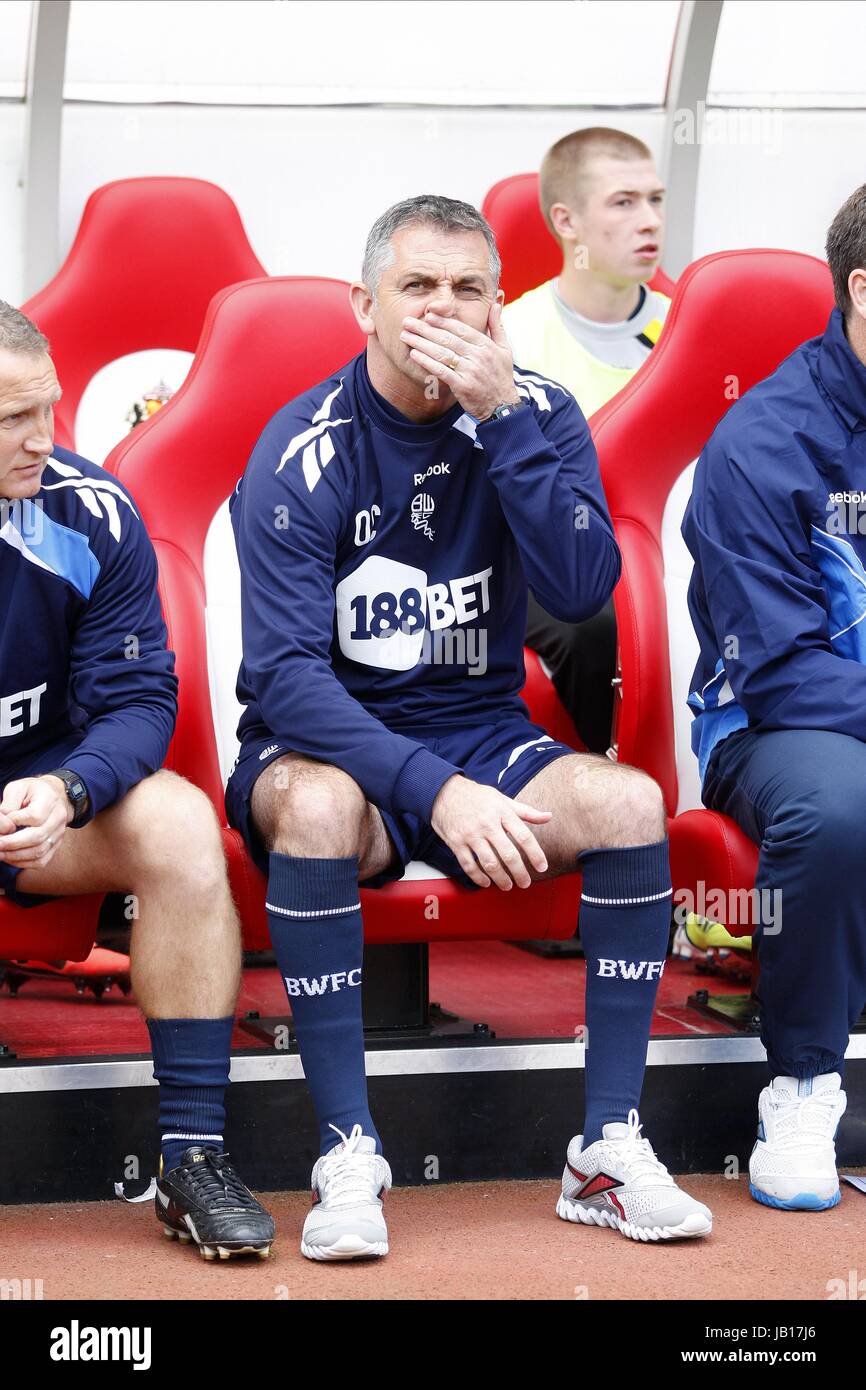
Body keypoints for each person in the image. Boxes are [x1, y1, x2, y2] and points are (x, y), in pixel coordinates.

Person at [227, 194, 712, 1262]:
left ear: (499, 306)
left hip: (481, 735)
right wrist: (431, 790)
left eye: (468, 289)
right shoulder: (300, 448)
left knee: (628, 799)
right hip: (328, 744)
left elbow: (584, 588)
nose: (443, 310)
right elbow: (286, 680)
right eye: (416, 287)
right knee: (313, 803)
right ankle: (347, 1152)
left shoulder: (535, 412)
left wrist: (505, 427)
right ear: (363, 305)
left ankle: (604, 1148)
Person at [0, 302, 275, 1260]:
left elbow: (137, 701)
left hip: (41, 804)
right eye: (11, 419)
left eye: (50, 407)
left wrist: (71, 788)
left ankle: (191, 1158)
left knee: (180, 823)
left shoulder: (90, 508)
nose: (45, 438)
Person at [682, 184, 866, 1212]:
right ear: (860, 289)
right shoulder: (763, 442)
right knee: (837, 806)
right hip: (771, 726)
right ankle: (800, 1083)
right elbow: (784, 671)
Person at [503, 128, 669, 754]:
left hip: (665, 547)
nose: (649, 221)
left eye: (656, 200)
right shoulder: (513, 337)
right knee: (593, 622)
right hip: (546, 558)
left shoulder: (682, 330)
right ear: (566, 221)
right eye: (624, 203)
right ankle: (620, 776)